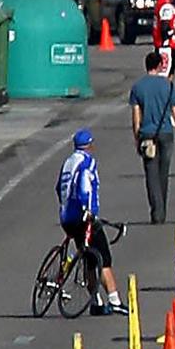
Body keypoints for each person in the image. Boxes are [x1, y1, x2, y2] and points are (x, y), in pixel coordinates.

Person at [56, 129, 124, 313]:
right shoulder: (87, 162)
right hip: (84, 218)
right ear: (91, 145)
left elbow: (58, 187)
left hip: (67, 217)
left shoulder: (68, 162)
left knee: (87, 259)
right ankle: (114, 300)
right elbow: (84, 188)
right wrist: (87, 210)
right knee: (103, 257)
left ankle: (95, 302)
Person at [129, 49, 175, 223]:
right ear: (159, 65)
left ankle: (156, 210)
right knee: (164, 172)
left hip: (147, 134)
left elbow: (136, 116)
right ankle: (162, 207)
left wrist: (137, 137)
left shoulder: (138, 87)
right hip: (165, 132)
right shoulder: (168, 85)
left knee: (151, 173)